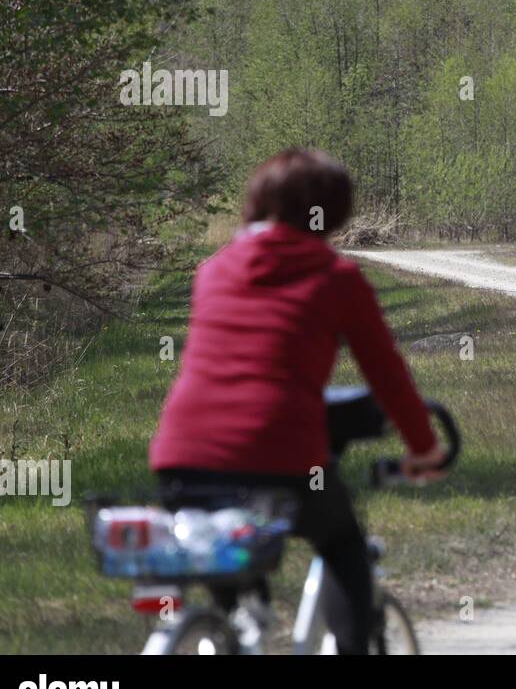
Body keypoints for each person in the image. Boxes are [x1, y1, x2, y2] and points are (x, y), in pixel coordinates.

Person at [149, 149, 446, 654]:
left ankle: (233, 628)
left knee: (229, 563)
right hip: (283, 460)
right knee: (343, 545)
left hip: (181, 459)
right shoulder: (336, 280)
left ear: (258, 201)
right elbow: (388, 377)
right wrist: (423, 447)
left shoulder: (214, 270)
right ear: (335, 213)